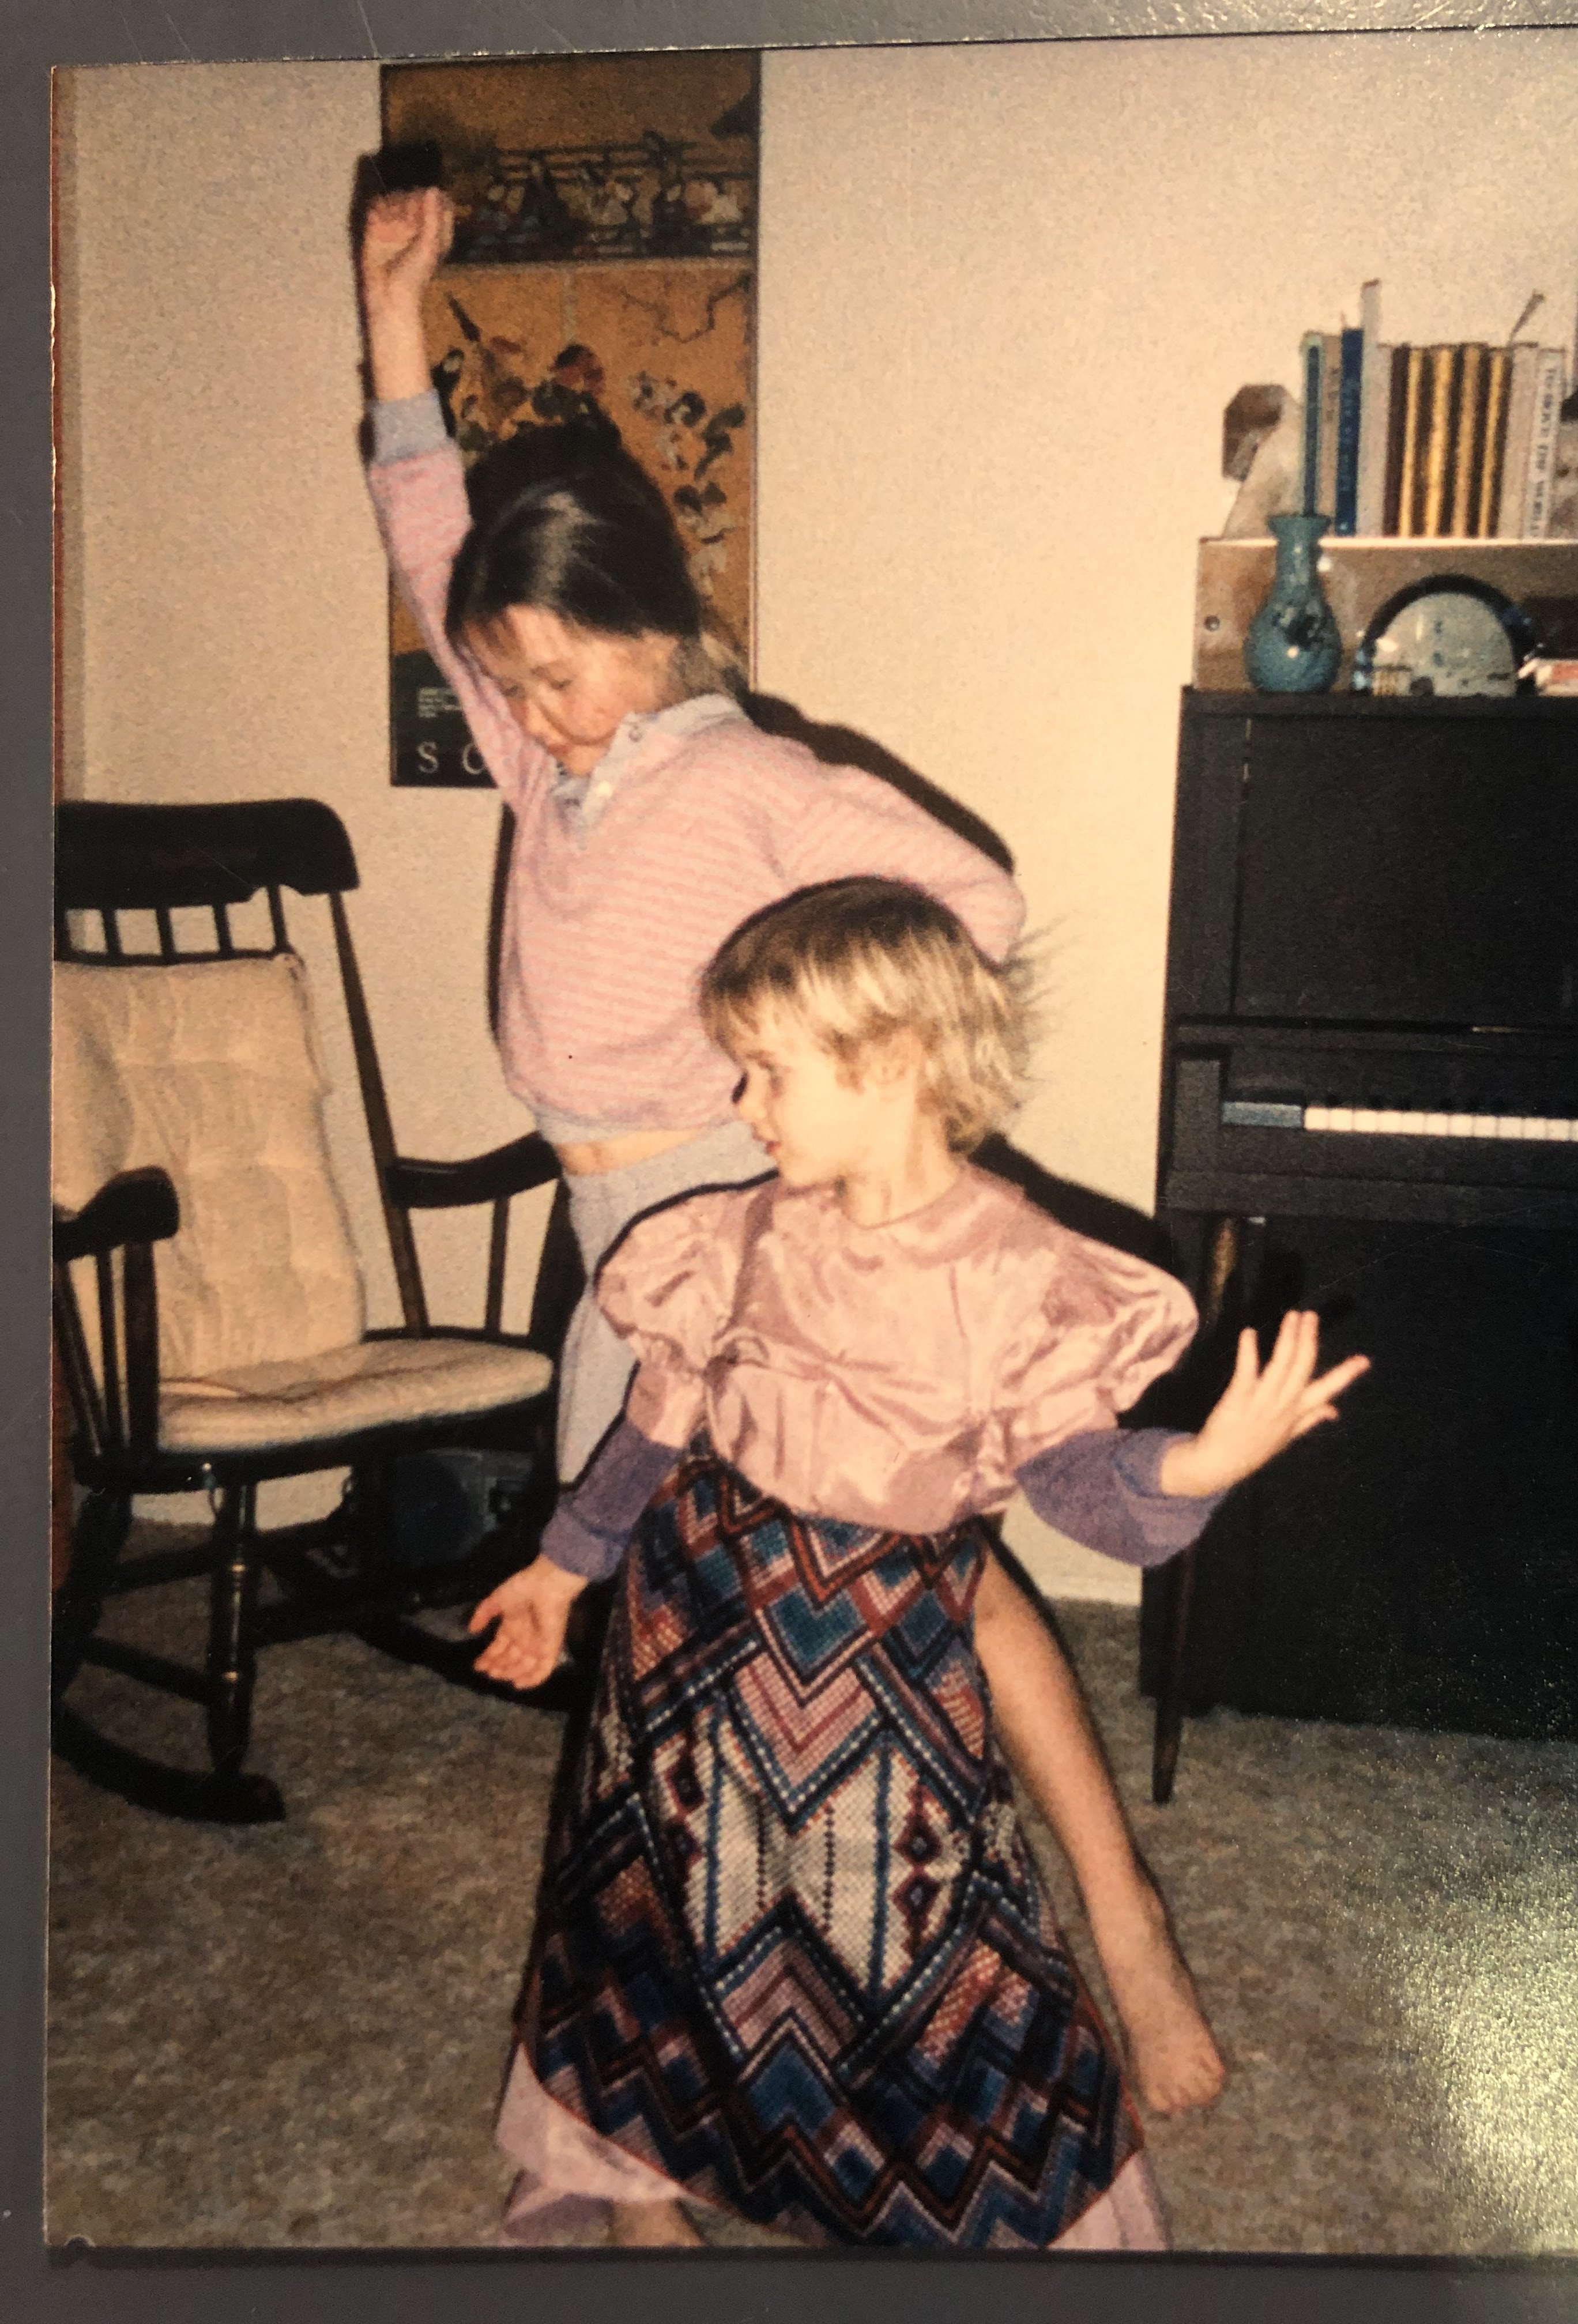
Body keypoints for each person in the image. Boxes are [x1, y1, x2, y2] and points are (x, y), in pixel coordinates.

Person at [358, 185, 1227, 2133]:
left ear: (655, 632)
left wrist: (848, 1101)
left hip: (726, 1203)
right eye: (510, 682)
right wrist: (390, 320)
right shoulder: (550, 756)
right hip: (619, 1234)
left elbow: (974, 902)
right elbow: (432, 563)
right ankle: (684, 2021)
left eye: (560, 673)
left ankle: (1122, 1929)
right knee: (672, 1610)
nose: (529, 712)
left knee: (932, 1580)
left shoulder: (750, 779)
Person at [470, 880, 1369, 2250]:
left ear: (890, 1061)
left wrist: (1193, 1467)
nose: (746, 1101)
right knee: (651, 1911)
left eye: (770, 1069)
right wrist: (561, 1568)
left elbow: (1076, 1483)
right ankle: (637, 2188)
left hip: (879, 1676)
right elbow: (656, 1426)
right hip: (686, 1634)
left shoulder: (1019, 1273)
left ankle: (1015, 2207)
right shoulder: (740, 1233)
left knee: (932, 1948)